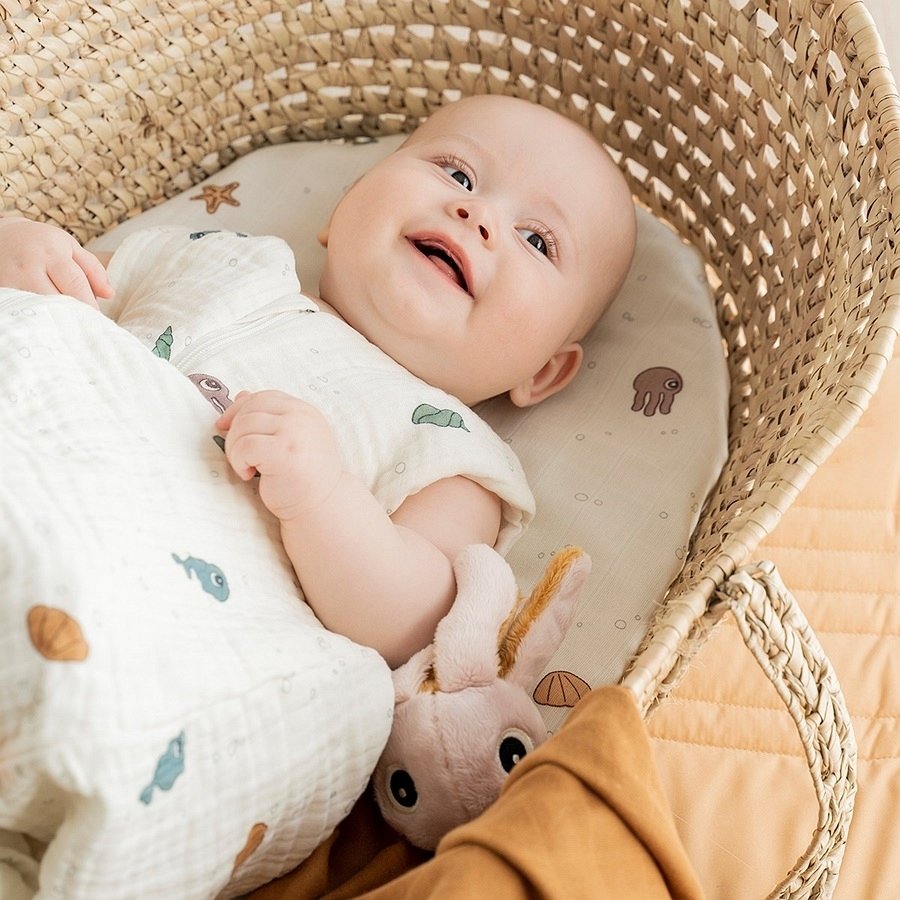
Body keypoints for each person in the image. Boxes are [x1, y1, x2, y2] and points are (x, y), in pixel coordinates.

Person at [0, 94, 636, 667]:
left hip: (145, 614)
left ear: (543, 371)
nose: (477, 214)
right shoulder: (225, 256)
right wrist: (25, 251)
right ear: (344, 207)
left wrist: (322, 496)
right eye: (458, 173)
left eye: (537, 240)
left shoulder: (453, 457)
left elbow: (411, 626)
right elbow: (61, 292)